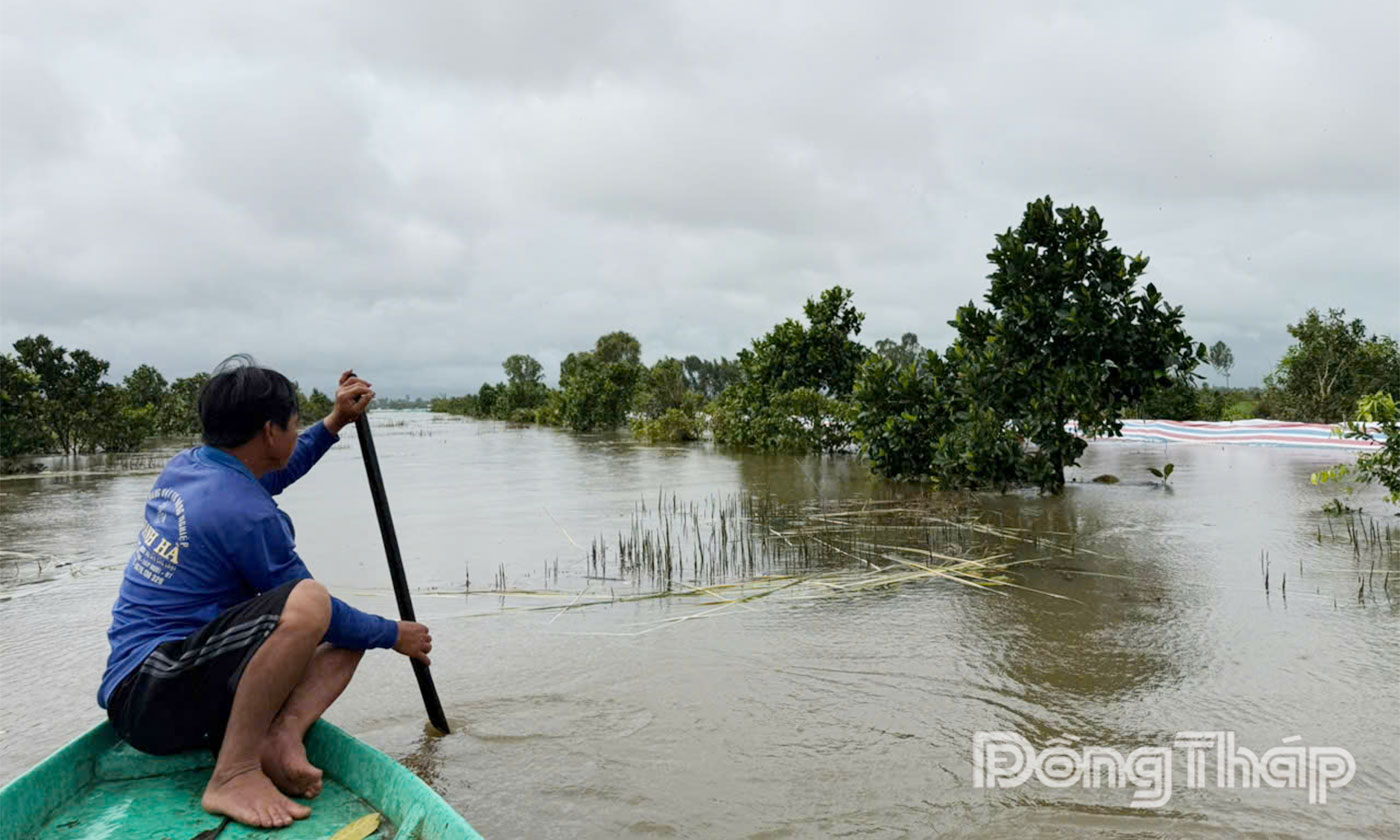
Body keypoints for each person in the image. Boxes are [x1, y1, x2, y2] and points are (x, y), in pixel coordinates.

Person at [97, 356, 433, 829]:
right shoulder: (244, 513)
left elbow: (274, 472)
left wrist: (335, 422)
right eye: (296, 425)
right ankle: (233, 772)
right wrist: (396, 633)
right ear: (271, 433)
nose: (298, 434)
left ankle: (279, 737)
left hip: (162, 686)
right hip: (150, 694)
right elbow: (320, 615)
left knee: (347, 644)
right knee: (314, 603)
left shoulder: (190, 468)